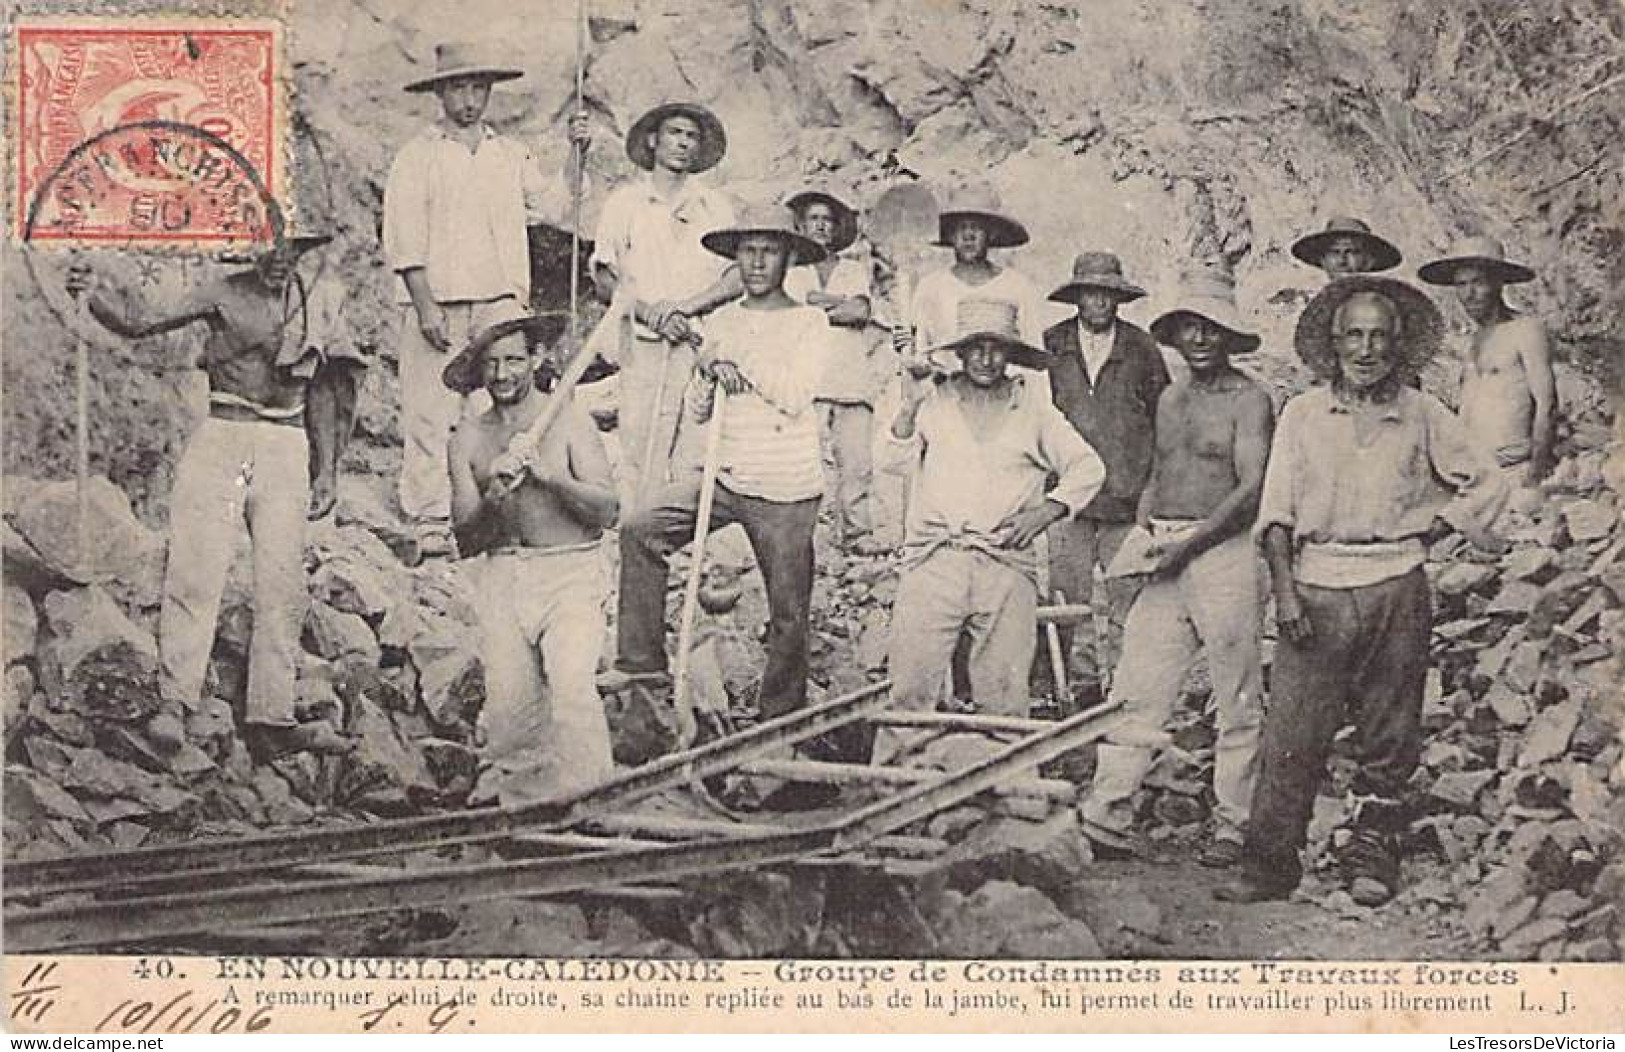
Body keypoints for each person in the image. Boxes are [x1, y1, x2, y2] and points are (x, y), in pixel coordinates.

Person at [1216, 276, 1508, 907]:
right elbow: (1275, 516)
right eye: (1354, 334)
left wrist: (1441, 524)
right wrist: (1286, 598)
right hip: (1317, 585)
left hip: (1397, 584)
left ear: (1398, 345)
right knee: (1292, 731)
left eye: (1379, 336)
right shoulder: (1302, 414)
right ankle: (1269, 865)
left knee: (1389, 734)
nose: (1366, 348)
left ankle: (1370, 856)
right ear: (1334, 341)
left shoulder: (1423, 413)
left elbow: (1486, 480)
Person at [69, 232, 364, 757]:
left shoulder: (319, 298)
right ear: (249, 248)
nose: (280, 261)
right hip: (223, 436)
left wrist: (328, 472)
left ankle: (272, 716)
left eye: (291, 251)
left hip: (286, 443)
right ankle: (175, 701)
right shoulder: (221, 291)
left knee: (281, 584)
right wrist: (90, 293)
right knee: (196, 570)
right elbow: (140, 323)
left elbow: (324, 386)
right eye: (270, 249)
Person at [1077, 263, 1273, 868]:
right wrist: (1143, 530)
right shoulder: (1171, 396)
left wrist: (1190, 544)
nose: (1200, 338)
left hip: (1225, 551)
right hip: (1164, 543)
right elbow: (1160, 473)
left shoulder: (1250, 399)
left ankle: (1233, 825)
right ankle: (1108, 813)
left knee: (1235, 691)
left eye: (1212, 327)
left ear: (1229, 333)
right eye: (1190, 326)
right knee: (1139, 681)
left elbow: (1253, 486)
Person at [605, 205, 829, 729]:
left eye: (768, 251)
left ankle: (780, 720)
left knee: (789, 609)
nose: (756, 262)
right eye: (747, 251)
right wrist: (707, 372)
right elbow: (701, 409)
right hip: (725, 477)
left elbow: (795, 395)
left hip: (785, 488)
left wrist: (737, 359)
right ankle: (642, 671)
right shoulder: (724, 320)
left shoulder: (808, 321)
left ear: (788, 258)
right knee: (641, 529)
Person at [384, 41, 589, 557]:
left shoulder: (509, 153)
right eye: (459, 87)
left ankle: (499, 510)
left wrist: (574, 154)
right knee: (430, 410)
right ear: (441, 93)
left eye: (479, 87)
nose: (470, 99)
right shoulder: (419, 156)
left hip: (500, 299)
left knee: (501, 404)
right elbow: (403, 237)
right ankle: (430, 517)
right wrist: (424, 302)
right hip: (441, 298)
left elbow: (555, 206)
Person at [880, 298, 1105, 761]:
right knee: (910, 685)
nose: (985, 358)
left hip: (1005, 562)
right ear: (960, 353)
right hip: (935, 559)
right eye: (976, 347)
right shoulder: (934, 401)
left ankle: (1007, 800)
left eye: (996, 348)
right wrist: (907, 406)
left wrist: (1047, 511)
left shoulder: (1033, 409)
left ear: (1011, 354)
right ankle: (891, 794)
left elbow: (1087, 467)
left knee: (1003, 696)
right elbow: (891, 462)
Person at [444, 316, 618, 805]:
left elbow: (608, 511)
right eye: (492, 363)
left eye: (514, 360)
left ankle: (593, 805)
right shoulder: (467, 440)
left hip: (571, 572)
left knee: (571, 689)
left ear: (536, 360)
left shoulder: (567, 422)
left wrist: (550, 478)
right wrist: (493, 499)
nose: (502, 374)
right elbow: (466, 538)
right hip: (503, 574)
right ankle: (526, 815)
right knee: (510, 714)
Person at [590, 101, 740, 510]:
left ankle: (683, 553)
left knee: (693, 449)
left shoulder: (715, 207)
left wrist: (687, 309)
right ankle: (635, 538)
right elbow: (605, 278)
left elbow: (737, 276)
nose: (684, 143)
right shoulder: (626, 203)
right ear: (654, 140)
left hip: (700, 345)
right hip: (642, 344)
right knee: (640, 443)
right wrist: (651, 312)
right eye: (675, 133)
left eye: (692, 136)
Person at [1040, 251, 1168, 700]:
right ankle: (1072, 693)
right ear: (1078, 297)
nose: (1099, 303)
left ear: (1119, 298)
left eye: (1107, 294)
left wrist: (1150, 493)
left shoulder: (1141, 348)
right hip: (1068, 501)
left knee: (1126, 601)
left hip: (1126, 498)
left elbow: (1162, 419)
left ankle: (1125, 694)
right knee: (1067, 601)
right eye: (1091, 293)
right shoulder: (1052, 345)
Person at [785, 187, 885, 554]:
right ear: (801, 224)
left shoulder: (852, 269)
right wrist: (834, 306)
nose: (821, 226)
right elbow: (792, 315)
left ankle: (857, 533)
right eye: (814, 219)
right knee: (805, 462)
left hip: (851, 379)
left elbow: (860, 312)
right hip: (808, 381)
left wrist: (818, 305)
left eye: (827, 219)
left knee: (857, 462)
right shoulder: (792, 270)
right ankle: (802, 535)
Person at [1420, 236, 1557, 493]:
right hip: (1473, 472)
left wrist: (1535, 475)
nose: (1469, 294)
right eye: (1461, 284)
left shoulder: (1526, 330)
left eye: (1478, 282)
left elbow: (1547, 405)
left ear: (1498, 283)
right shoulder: (1472, 340)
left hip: (1514, 469)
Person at [899, 185, 1050, 381]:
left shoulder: (1018, 286)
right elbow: (920, 352)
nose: (968, 236)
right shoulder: (930, 287)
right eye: (961, 228)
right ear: (950, 236)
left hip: (1004, 395)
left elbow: (1032, 351)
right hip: (945, 396)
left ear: (991, 234)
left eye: (977, 228)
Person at [1290, 216, 1402, 280]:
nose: (1342, 261)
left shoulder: (1380, 302)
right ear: (1323, 260)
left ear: (1369, 261)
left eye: (1352, 252)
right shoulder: (1314, 305)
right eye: (1334, 252)